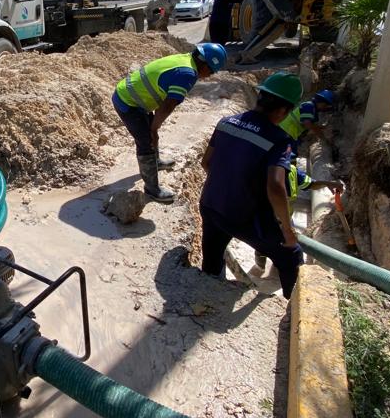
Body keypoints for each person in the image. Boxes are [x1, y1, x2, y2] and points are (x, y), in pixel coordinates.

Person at [198, 71, 304, 297]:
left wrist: (230, 183)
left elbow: (206, 162)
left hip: (211, 205)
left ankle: (209, 289)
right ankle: (288, 303)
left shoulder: (226, 122)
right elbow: (275, 187)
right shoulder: (279, 139)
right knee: (291, 254)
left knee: (212, 258)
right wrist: (288, 230)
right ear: (284, 110)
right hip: (244, 217)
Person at [113, 43, 227, 203]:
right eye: (212, 71)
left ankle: (156, 161)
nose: (209, 76)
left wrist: (154, 127)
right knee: (146, 142)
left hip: (135, 96)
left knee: (152, 133)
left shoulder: (186, 59)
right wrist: (153, 128)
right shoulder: (187, 74)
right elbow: (167, 106)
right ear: (205, 64)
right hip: (128, 102)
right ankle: (152, 189)